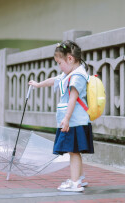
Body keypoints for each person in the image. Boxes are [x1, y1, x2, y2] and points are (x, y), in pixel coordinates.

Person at [28, 40, 94, 192]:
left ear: (70, 59)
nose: (59, 66)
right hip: (74, 121)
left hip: (74, 121)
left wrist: (66, 118)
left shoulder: (77, 76)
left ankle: (75, 182)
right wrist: (38, 84)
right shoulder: (69, 74)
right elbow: (54, 80)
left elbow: (73, 98)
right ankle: (80, 178)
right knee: (74, 150)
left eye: (59, 62)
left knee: (73, 152)